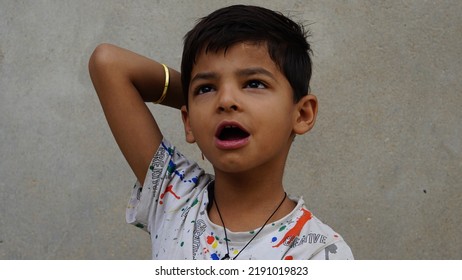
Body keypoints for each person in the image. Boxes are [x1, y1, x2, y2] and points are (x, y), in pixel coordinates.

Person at [89, 4, 353, 260]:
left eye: (253, 83)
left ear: (302, 114)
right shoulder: (174, 196)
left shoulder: (320, 252)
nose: (226, 100)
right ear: (188, 123)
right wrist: (197, 107)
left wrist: (202, 100)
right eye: (207, 88)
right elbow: (108, 63)